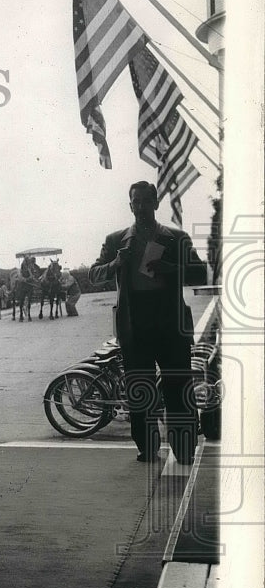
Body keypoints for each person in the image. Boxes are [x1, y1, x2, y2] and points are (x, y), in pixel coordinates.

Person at [89, 181, 207, 464]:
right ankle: (147, 448)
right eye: (136, 202)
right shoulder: (116, 240)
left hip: (170, 323)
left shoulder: (176, 238)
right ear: (130, 205)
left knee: (178, 389)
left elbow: (201, 275)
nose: (141, 207)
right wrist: (115, 264)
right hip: (135, 323)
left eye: (146, 201)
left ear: (156, 203)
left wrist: (173, 269)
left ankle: (184, 449)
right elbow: (94, 275)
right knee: (140, 391)